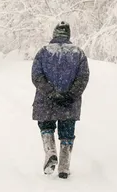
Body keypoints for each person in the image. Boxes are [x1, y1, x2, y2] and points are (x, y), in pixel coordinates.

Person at [31, 21, 90, 179]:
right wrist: (70, 95)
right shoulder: (78, 53)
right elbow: (83, 77)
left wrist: (51, 93)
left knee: (46, 127)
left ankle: (50, 152)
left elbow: (36, 76)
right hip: (69, 103)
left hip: (46, 102)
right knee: (67, 134)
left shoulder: (43, 52)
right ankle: (64, 167)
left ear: (55, 34)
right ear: (68, 34)